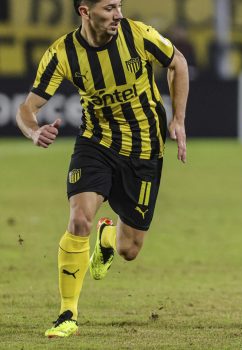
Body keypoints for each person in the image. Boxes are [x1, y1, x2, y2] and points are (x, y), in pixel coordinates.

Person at [16, 0, 188, 338]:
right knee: (79, 219)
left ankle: (108, 239)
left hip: (145, 151)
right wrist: (34, 130)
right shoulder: (62, 53)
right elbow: (28, 106)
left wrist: (179, 119)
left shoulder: (137, 35)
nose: (118, 14)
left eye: (119, 6)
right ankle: (67, 314)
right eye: (109, 8)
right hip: (97, 143)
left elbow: (178, 63)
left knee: (129, 250)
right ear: (85, 12)